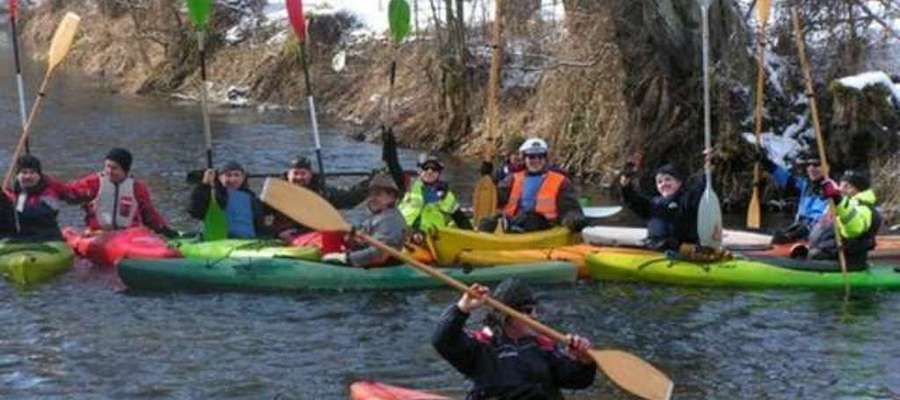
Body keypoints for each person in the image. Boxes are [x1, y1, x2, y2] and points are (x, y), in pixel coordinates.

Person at [432, 278, 596, 399]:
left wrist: (584, 361)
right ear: (506, 315)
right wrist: (462, 309)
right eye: (528, 310)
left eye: (534, 310)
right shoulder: (481, 347)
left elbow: (577, 381)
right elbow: (442, 340)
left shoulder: (543, 346)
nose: (535, 316)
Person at [479, 138, 586, 233]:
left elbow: (570, 209)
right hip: (513, 221)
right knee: (487, 222)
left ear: (545, 159)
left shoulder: (561, 181)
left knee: (530, 217)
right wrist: (487, 179)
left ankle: (511, 227)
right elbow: (496, 198)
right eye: (531, 157)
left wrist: (573, 219)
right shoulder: (512, 178)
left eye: (540, 157)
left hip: (544, 226)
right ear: (525, 159)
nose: (536, 160)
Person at [65, 148, 175, 236]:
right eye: (107, 166)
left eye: (114, 168)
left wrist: (164, 230)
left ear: (125, 170)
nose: (109, 171)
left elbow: (150, 215)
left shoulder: (137, 188)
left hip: (129, 236)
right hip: (99, 235)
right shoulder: (94, 182)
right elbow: (68, 192)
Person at [270, 156, 374, 242]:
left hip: (312, 236)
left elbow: (350, 197)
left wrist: (370, 183)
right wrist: (277, 233)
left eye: (303, 173)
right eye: (295, 173)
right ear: (288, 174)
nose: (299, 177)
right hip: (284, 236)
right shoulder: (276, 192)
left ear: (310, 175)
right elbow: (259, 217)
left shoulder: (322, 192)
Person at [320, 174, 406, 268]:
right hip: (365, 254)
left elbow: (380, 254)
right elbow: (360, 229)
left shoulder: (390, 221)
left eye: (378, 194)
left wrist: (347, 258)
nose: (372, 198)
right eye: (371, 194)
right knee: (331, 230)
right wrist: (351, 236)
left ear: (391, 197)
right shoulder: (377, 212)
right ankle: (327, 259)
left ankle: (331, 265)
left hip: (379, 265)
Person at [619, 162, 706, 252]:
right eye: (659, 182)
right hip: (653, 248)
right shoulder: (652, 203)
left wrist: (707, 172)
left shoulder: (687, 199)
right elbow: (633, 200)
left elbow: (701, 190)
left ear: (679, 182)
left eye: (668, 179)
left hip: (680, 251)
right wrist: (626, 186)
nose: (664, 184)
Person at [805, 169, 882, 268]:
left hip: (847, 263)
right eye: (841, 185)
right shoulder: (840, 206)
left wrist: (839, 200)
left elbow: (854, 229)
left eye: (847, 186)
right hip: (825, 256)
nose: (841, 189)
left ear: (858, 190)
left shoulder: (864, 209)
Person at [758, 149, 829, 244]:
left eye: (816, 165)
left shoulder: (833, 190)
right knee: (777, 236)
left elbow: (826, 220)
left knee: (783, 238)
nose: (812, 168)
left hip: (815, 234)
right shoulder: (805, 185)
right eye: (809, 165)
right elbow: (786, 179)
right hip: (799, 227)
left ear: (827, 167)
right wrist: (766, 163)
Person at [0, 155, 75, 241]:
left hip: (46, 239)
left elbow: (39, 214)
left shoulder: (49, 193)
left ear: (39, 175)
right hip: (20, 239)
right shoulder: (15, 193)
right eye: (24, 172)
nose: (28, 176)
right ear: (17, 176)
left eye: (32, 173)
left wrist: (9, 207)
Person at [188, 161, 269, 239]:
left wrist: (277, 233)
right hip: (220, 241)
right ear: (219, 177)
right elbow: (195, 211)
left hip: (248, 240)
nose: (233, 179)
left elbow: (259, 226)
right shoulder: (213, 194)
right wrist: (204, 184)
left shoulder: (252, 198)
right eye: (228, 175)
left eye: (236, 175)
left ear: (243, 177)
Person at [398, 154, 472, 238]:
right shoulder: (408, 185)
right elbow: (393, 165)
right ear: (419, 170)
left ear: (439, 173)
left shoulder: (445, 193)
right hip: (404, 233)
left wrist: (472, 238)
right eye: (426, 168)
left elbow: (460, 219)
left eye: (434, 169)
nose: (430, 172)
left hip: (430, 238)